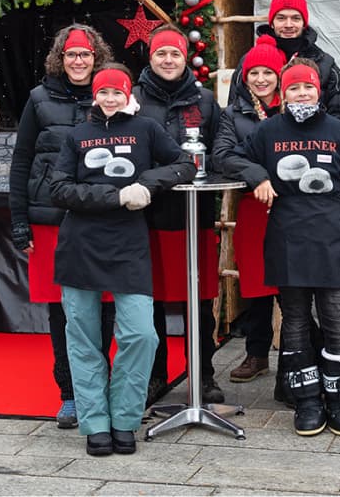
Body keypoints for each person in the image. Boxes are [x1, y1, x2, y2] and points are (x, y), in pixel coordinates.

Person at [50, 64, 196, 457]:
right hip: (80, 245)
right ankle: (95, 422)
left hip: (129, 246)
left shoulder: (147, 129)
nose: (110, 99)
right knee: (83, 338)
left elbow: (184, 163)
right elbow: (58, 188)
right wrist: (114, 198)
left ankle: (124, 418)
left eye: (117, 92)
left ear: (128, 94)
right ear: (94, 96)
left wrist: (145, 185)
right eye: (104, 92)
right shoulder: (77, 136)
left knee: (140, 335)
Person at [225, 57, 340, 437]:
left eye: (307, 86)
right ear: (282, 93)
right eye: (293, 88)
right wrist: (257, 175)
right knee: (294, 324)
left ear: (318, 90)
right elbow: (227, 156)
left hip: (333, 241)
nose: (301, 93)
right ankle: (306, 400)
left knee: (338, 322)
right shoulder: (269, 130)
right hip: (287, 240)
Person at [8, 25, 116, 429]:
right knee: (63, 312)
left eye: (85, 55)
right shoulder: (38, 101)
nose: (78, 61)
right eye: (71, 55)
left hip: (97, 217)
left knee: (104, 308)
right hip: (49, 218)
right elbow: (20, 163)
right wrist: (19, 222)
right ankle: (69, 393)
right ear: (60, 58)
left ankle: (100, 387)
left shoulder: (111, 97)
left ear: (96, 57)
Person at [133, 25, 224, 404]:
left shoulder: (204, 101)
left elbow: (220, 149)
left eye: (174, 54)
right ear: (150, 58)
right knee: (149, 302)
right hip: (149, 218)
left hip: (195, 216)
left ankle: (202, 374)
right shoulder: (134, 99)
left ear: (185, 58)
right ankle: (155, 376)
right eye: (160, 54)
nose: (168, 60)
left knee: (199, 303)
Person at [211, 35, 285, 386]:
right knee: (256, 282)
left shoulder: (297, 104)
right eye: (253, 72)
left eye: (267, 72)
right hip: (254, 204)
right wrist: (256, 173)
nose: (260, 79)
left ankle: (299, 354)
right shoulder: (234, 113)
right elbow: (222, 155)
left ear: (279, 76)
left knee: (293, 285)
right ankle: (257, 352)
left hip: (294, 207)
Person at [228, 0, 340, 123]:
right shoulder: (249, 61)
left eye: (295, 18)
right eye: (281, 18)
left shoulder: (324, 63)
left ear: (304, 23)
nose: (288, 24)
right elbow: (234, 111)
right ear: (272, 22)